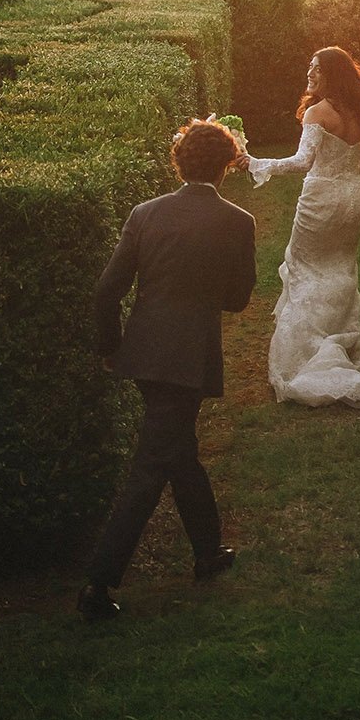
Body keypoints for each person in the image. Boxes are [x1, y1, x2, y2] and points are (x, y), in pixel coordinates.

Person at [78, 117, 257, 623]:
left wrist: (111, 347)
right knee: (151, 468)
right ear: (225, 166)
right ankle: (98, 582)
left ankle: (207, 552)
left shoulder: (145, 213)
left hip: (143, 353)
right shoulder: (238, 222)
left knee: (179, 452)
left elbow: (106, 290)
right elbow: (239, 300)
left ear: (179, 163)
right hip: (187, 358)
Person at [246, 45, 360, 408]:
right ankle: (340, 338)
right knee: (341, 268)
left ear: (333, 73)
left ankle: (305, 353)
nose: (309, 74)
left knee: (305, 269)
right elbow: (357, 161)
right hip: (353, 199)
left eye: (316, 69)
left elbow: (303, 162)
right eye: (309, 67)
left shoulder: (318, 112)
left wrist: (256, 162)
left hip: (321, 201)